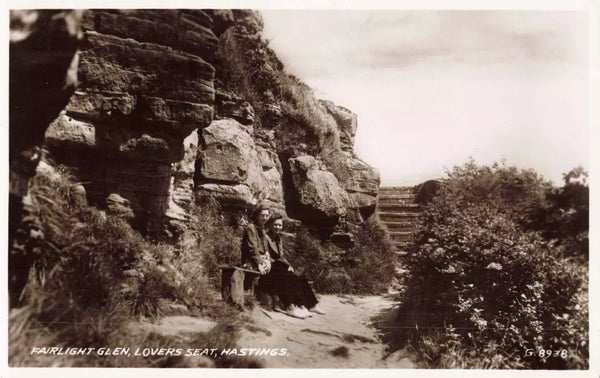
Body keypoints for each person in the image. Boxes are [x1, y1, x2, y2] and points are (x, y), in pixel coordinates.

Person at [260, 212, 326, 318]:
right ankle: (292, 306)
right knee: (289, 276)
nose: (277, 227)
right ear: (270, 224)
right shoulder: (265, 237)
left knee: (299, 274)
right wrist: (283, 265)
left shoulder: (278, 238)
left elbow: (281, 256)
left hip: (278, 266)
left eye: (280, 225)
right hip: (270, 267)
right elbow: (266, 256)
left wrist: (288, 265)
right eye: (275, 224)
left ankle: (311, 305)